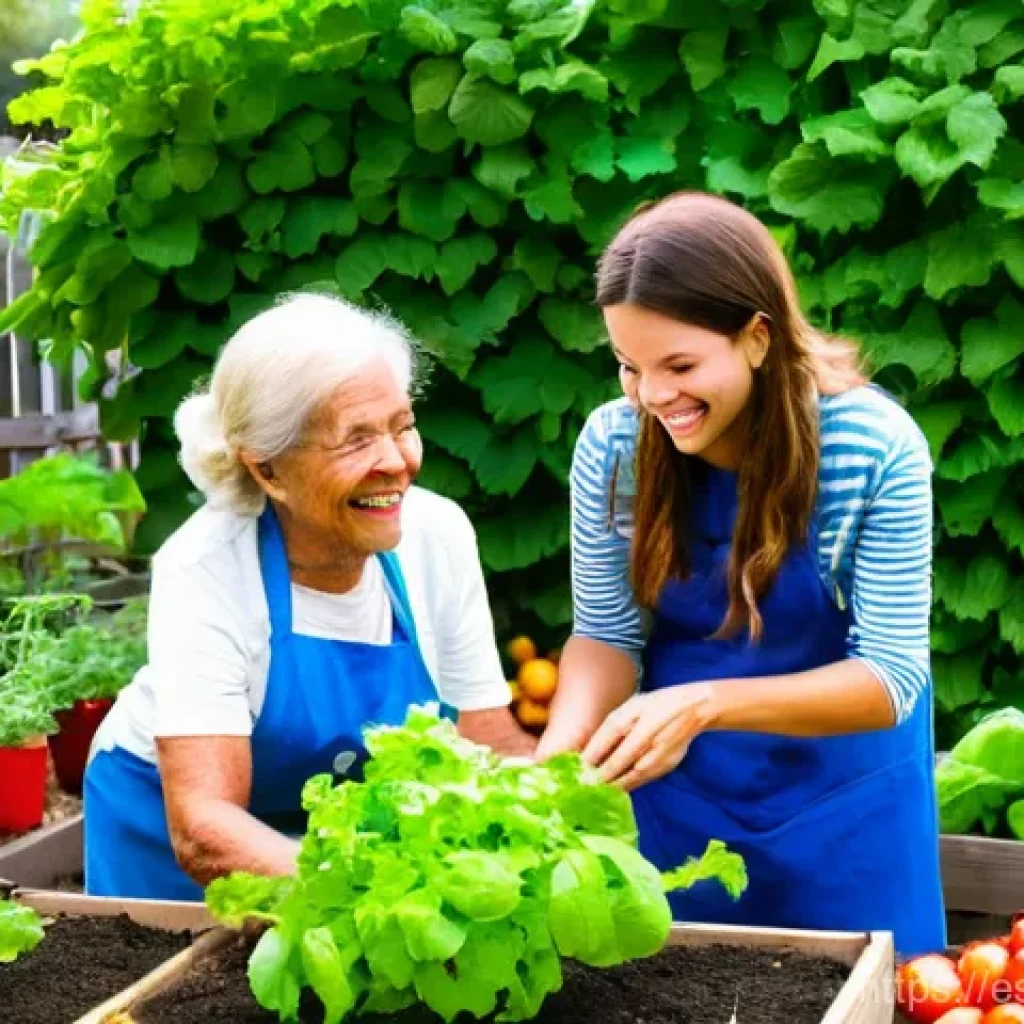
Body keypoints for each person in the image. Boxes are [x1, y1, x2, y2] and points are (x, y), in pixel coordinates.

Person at [538, 192, 945, 956]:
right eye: (629, 366)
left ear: (757, 338)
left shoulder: (870, 445)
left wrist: (701, 704)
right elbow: (607, 635)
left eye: (681, 365)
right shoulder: (614, 446)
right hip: (680, 812)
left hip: (849, 818)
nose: (654, 396)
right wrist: (557, 759)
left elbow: (891, 677)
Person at [84, 292, 534, 900]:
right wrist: (375, 894)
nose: (396, 462)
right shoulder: (206, 565)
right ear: (269, 471)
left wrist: (555, 819)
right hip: (169, 839)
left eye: (404, 427)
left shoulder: (438, 534)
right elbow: (205, 825)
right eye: (356, 440)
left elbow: (487, 741)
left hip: (337, 848)